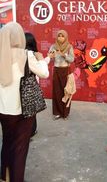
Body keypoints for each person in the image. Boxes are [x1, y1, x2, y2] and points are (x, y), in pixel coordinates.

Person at [0, 22, 49, 182]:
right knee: (20, 149)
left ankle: (4, 176)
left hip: (3, 111)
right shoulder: (26, 55)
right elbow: (44, 73)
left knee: (6, 142)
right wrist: (41, 59)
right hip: (23, 111)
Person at [25, 32, 50, 138]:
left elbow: (37, 67)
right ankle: (29, 132)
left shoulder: (15, 53)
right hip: (28, 90)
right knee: (30, 112)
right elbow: (43, 73)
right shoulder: (30, 55)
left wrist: (47, 58)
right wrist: (40, 58)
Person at [48, 30, 74, 120]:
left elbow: (72, 59)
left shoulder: (69, 47)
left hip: (65, 71)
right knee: (57, 92)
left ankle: (65, 113)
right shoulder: (53, 46)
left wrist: (64, 55)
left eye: (62, 36)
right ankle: (57, 113)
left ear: (66, 37)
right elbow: (50, 58)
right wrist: (51, 56)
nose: (60, 38)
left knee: (66, 91)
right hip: (56, 70)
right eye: (59, 36)